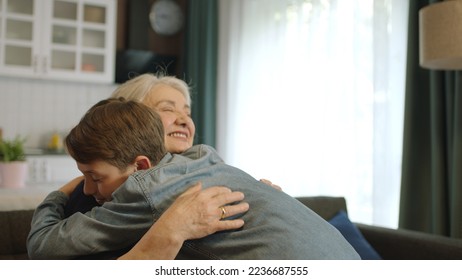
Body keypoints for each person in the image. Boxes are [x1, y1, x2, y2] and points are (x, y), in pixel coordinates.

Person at [27, 98, 360, 260]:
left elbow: (42, 245)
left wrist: (56, 194)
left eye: (94, 178)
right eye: (166, 109)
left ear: (142, 165)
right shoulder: (207, 160)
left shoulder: (145, 189)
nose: (87, 188)